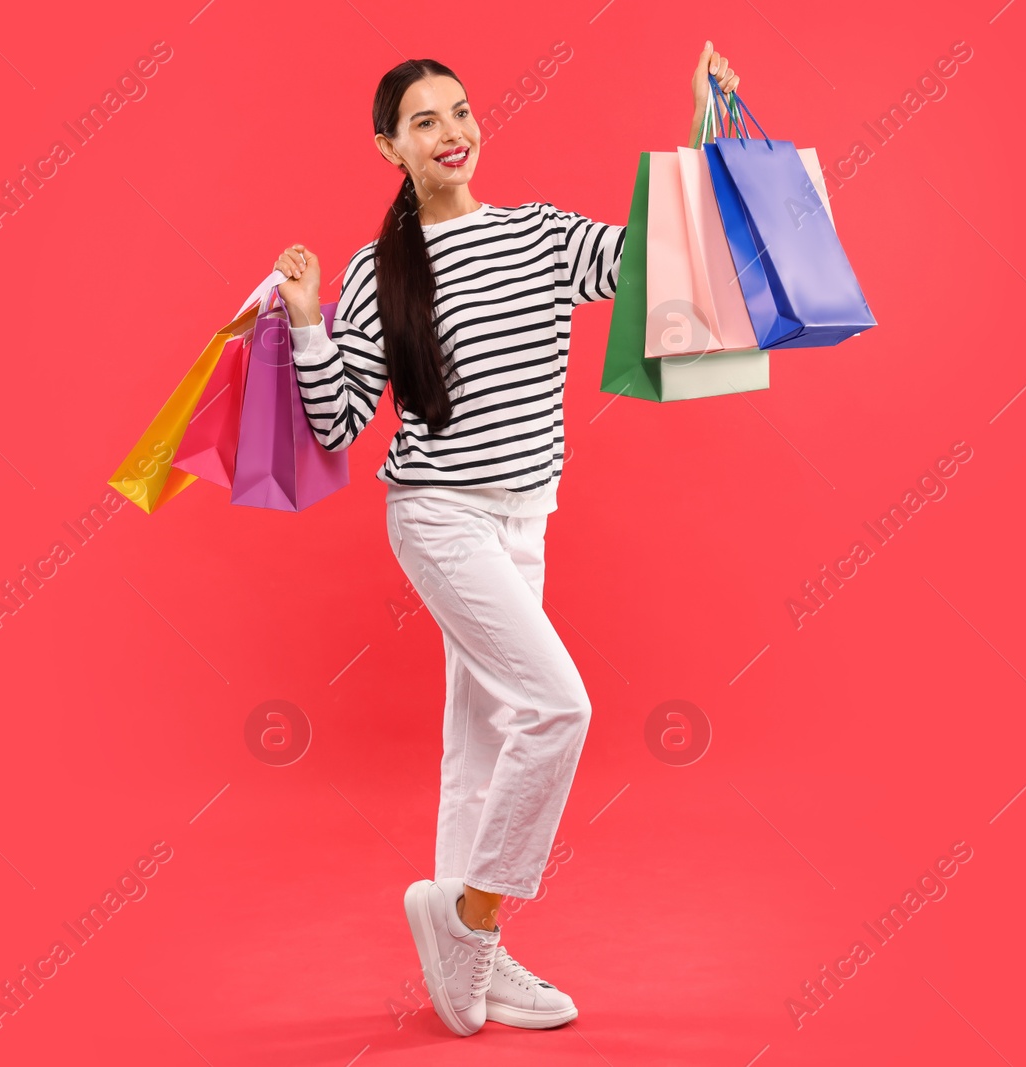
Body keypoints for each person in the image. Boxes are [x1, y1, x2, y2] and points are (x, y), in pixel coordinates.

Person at [272, 42, 740, 1037]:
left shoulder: (534, 235)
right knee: (556, 705)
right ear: (389, 146)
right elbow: (338, 421)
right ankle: (472, 918)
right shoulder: (374, 272)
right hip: (438, 515)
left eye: (461, 112)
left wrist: (704, 138)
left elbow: (652, 257)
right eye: (425, 121)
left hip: (527, 515)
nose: (452, 133)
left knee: (479, 738)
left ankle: (464, 975)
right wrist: (311, 323)